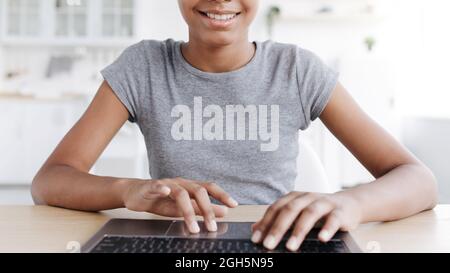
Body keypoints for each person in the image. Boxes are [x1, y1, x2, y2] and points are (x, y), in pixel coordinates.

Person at [32, 0, 437, 252]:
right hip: (179, 244)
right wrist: (127, 190)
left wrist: (353, 203)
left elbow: (419, 180)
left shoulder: (296, 70)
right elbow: (50, 180)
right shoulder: (143, 68)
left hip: (278, 242)